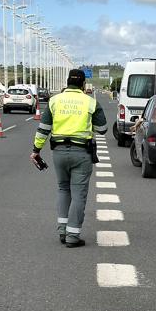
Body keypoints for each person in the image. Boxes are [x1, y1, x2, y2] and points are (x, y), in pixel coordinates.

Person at [31, 68, 107, 247]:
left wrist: (36, 150)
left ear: (66, 83)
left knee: (63, 189)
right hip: (81, 153)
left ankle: (62, 231)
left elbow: (43, 129)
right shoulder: (90, 102)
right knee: (79, 194)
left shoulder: (54, 101)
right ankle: (73, 236)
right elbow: (102, 129)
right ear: (82, 84)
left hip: (58, 153)